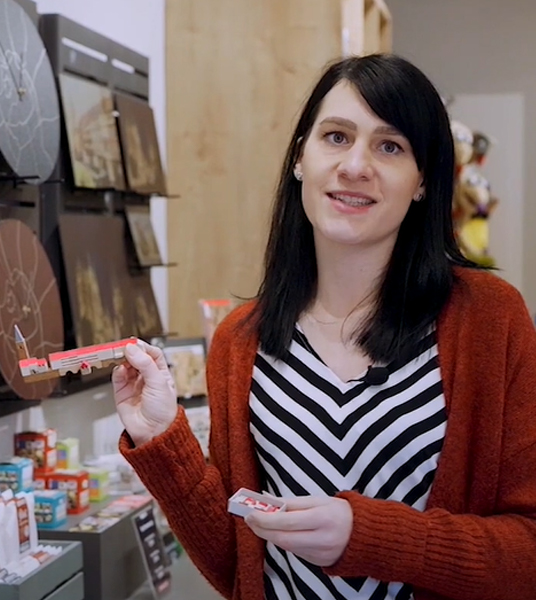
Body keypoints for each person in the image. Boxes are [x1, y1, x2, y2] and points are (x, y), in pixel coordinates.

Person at [112, 53, 536, 600]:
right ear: (298, 159)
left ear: (423, 181)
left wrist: (371, 537)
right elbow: (238, 563)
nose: (355, 165)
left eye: (390, 146)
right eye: (336, 137)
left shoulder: (488, 318)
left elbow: (527, 551)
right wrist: (159, 437)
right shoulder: (242, 341)